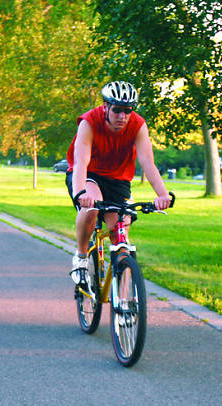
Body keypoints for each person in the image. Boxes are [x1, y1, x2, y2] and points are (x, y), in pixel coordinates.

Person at [66, 81, 171, 283]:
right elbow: (81, 162)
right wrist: (80, 193)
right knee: (92, 207)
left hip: (118, 179)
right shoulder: (89, 122)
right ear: (105, 107)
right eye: (116, 110)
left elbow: (148, 163)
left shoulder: (138, 126)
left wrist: (162, 194)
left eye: (127, 111)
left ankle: (124, 306)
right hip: (89, 174)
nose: (122, 116)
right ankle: (80, 257)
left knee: (120, 234)